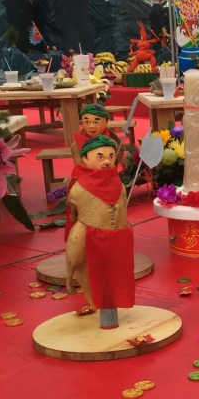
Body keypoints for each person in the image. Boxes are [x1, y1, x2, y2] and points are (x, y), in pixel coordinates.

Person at [65, 135, 135, 328]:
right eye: (100, 156)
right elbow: (73, 211)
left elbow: (123, 206)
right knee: (81, 259)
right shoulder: (79, 188)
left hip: (117, 236)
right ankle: (71, 277)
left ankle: (113, 304)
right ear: (85, 159)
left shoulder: (119, 185)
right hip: (90, 235)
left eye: (111, 156)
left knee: (116, 275)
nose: (107, 161)